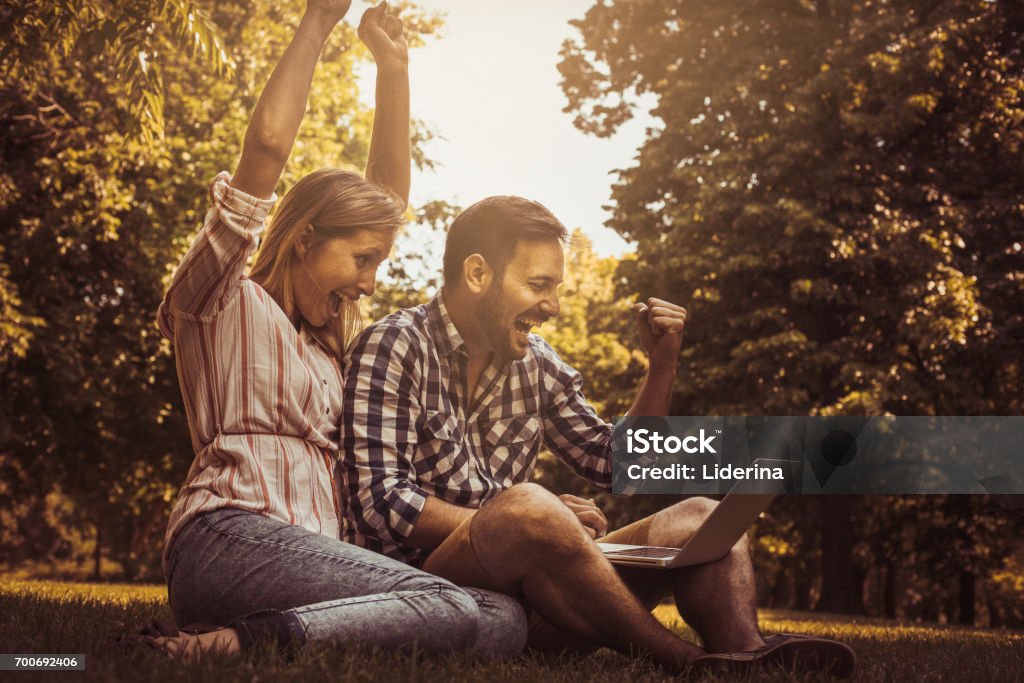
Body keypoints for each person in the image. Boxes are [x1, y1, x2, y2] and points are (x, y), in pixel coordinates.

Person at [338, 196, 857, 676]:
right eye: (539, 285)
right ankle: (688, 663)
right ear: (477, 273)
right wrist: (526, 525)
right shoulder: (394, 344)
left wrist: (661, 367)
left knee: (701, 516)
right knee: (528, 508)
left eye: (555, 288)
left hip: (537, 594)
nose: (554, 306)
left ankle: (745, 653)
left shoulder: (537, 364)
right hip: (425, 591)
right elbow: (380, 502)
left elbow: (619, 465)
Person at [150, 1, 526, 661]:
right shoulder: (219, 300)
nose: (371, 282)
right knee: (447, 604)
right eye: (361, 260)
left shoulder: (330, 337)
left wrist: (393, 66)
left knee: (501, 617)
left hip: (319, 559)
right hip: (227, 535)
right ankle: (226, 644)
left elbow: (385, 200)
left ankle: (279, 633)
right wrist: (319, 21)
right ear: (302, 240)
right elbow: (265, 151)